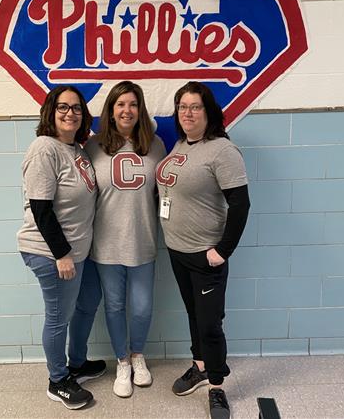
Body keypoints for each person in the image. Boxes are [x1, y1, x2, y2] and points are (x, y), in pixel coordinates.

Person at [155, 81, 250, 419]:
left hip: (204, 254)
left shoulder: (222, 151)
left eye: (196, 107)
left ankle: (217, 386)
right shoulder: (182, 144)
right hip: (177, 249)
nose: (188, 113)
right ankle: (199, 366)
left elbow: (240, 205)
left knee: (210, 323)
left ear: (209, 112)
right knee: (194, 315)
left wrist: (223, 250)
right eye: (183, 107)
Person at [17, 85, 106, 410]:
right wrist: (62, 254)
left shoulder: (77, 150)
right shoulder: (44, 149)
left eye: (77, 108)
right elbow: (41, 209)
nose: (70, 113)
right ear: (50, 113)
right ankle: (57, 380)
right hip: (50, 252)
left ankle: (77, 363)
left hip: (77, 252)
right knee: (58, 317)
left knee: (88, 302)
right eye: (63, 107)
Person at [84, 81, 166, 398]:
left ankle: (137, 355)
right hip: (105, 244)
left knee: (143, 308)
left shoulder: (155, 145)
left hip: (143, 240)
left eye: (132, 104)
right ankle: (121, 361)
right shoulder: (94, 146)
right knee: (115, 306)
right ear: (111, 110)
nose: (126, 110)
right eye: (120, 104)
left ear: (140, 109)